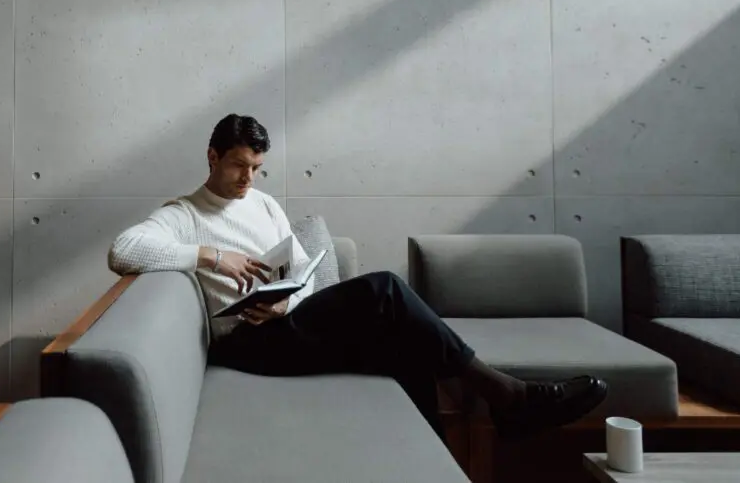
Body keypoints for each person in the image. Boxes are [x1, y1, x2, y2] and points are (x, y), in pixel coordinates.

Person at [108, 113, 608, 440]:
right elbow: (123, 249)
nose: (248, 179)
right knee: (384, 288)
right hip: (243, 344)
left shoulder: (263, 204)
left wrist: (284, 300)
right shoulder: (185, 213)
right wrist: (214, 258)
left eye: (257, 167)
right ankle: (509, 396)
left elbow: (299, 269)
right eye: (239, 165)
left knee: (400, 343)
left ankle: (432, 458)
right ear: (213, 157)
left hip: (284, 323)